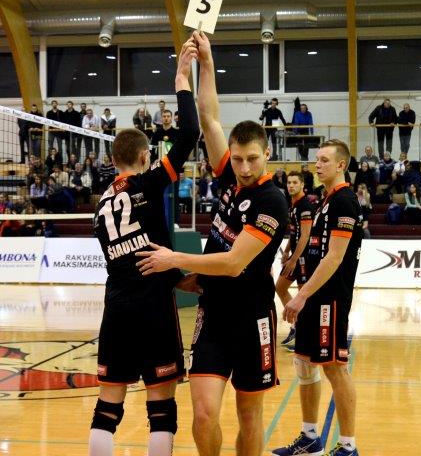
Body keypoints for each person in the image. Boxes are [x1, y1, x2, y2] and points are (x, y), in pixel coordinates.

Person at [135, 31, 288, 456]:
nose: (243, 167)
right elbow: (209, 117)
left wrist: (175, 259)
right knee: (204, 413)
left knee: (249, 415)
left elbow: (235, 263)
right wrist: (205, 59)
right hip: (214, 314)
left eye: (252, 159)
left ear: (266, 154)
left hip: (254, 316)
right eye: (237, 159)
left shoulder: (272, 201)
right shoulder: (228, 177)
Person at [88, 38, 200, 456]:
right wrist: (182, 79)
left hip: (116, 309)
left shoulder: (100, 206)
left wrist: (177, 276)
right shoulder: (147, 184)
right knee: (162, 409)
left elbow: (129, 257)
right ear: (142, 157)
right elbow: (190, 134)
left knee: (107, 409)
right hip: (153, 309)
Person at [272, 139, 363, 456]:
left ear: (341, 164)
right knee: (303, 363)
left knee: (335, 368)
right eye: (317, 159)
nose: (317, 164)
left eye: (324, 159)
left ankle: (348, 446)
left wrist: (300, 295)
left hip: (330, 300)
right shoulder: (326, 200)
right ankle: (310, 437)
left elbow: (334, 257)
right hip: (314, 296)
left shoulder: (345, 201)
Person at [275, 171, 313, 351]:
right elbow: (294, 232)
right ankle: (297, 326)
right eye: (289, 182)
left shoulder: (305, 206)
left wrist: (294, 259)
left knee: (303, 296)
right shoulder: (293, 204)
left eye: (294, 182)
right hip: (295, 256)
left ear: (302, 185)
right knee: (280, 287)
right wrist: (286, 251)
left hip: (304, 258)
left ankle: (306, 335)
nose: (290, 185)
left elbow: (305, 236)